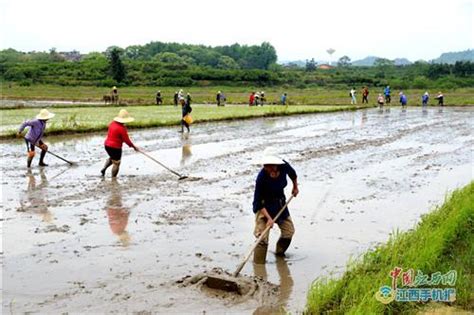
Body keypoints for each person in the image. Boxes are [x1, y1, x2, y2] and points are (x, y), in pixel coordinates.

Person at [252, 148, 299, 264]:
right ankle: (259, 267)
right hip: (264, 207)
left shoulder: (284, 166)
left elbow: (293, 174)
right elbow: (258, 202)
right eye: (266, 165)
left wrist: (295, 187)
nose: (268, 168)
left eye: (271, 165)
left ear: (277, 164)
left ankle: (279, 254)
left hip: (279, 204)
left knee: (289, 232)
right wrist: (269, 219)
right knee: (262, 239)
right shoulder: (261, 178)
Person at [101, 109, 138, 177]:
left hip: (107, 145)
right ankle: (113, 178)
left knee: (112, 158)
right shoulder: (122, 128)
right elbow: (126, 140)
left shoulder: (112, 123)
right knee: (117, 162)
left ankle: (104, 169)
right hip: (115, 147)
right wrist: (134, 147)